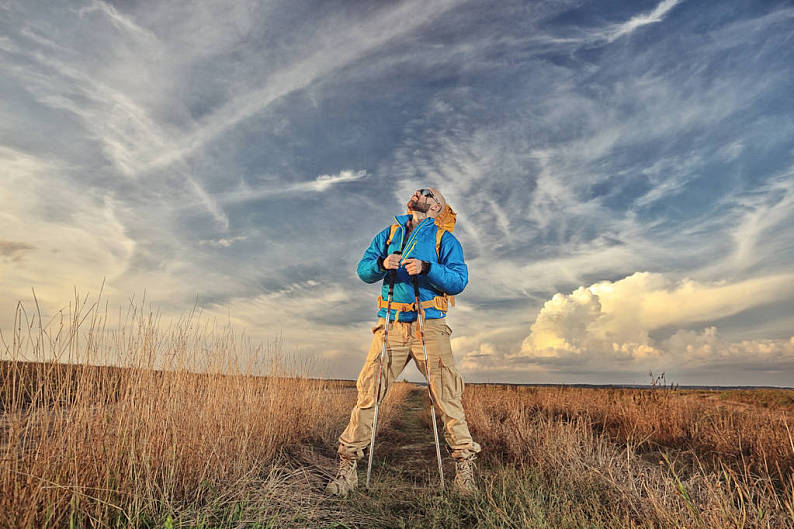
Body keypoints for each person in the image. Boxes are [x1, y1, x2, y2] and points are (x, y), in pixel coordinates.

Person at [326, 187, 481, 496]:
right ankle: (347, 469)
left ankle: (464, 470)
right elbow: (363, 270)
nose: (418, 193)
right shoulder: (387, 234)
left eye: (427, 193)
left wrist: (427, 268)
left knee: (447, 396)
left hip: (430, 327)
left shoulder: (444, 239)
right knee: (368, 392)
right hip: (391, 325)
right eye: (417, 191)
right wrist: (382, 264)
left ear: (437, 207)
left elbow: (459, 280)